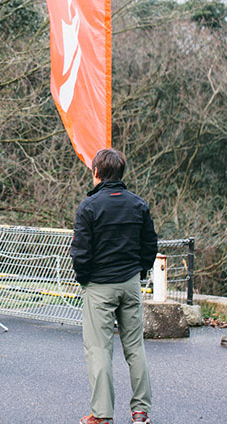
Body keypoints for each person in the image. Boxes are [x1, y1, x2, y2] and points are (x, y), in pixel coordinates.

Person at [70, 148, 158, 424]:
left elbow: (81, 251)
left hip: (99, 285)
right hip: (130, 283)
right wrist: (140, 270)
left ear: (96, 172)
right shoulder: (138, 204)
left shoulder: (89, 207)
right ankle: (141, 412)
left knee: (99, 350)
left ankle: (102, 415)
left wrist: (84, 279)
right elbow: (149, 244)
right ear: (121, 173)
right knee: (135, 347)